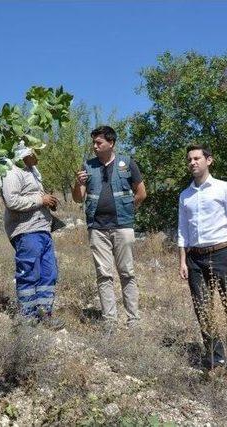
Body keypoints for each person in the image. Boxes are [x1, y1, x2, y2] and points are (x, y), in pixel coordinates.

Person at [178, 144, 227, 385]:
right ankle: (215, 360)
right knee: (203, 310)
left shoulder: (226, 189)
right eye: (189, 159)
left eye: (197, 158)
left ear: (209, 160)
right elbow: (182, 230)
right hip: (195, 258)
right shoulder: (185, 195)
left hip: (222, 253)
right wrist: (182, 260)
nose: (192, 162)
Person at [72, 126, 147, 331]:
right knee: (104, 275)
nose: (95, 147)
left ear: (111, 143)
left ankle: (133, 320)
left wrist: (128, 210)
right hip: (97, 228)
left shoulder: (127, 163)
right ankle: (110, 321)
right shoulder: (88, 166)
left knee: (127, 273)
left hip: (123, 227)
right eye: (93, 143)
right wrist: (78, 183)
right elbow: (78, 198)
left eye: (99, 143)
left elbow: (141, 193)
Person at [0, 141, 65, 330]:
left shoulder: (33, 172)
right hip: (26, 230)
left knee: (49, 273)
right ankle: (27, 317)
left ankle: (45, 313)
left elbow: (35, 198)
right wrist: (40, 199)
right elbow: (11, 200)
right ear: (23, 153)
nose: (36, 155)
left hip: (42, 229)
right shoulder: (12, 171)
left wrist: (47, 202)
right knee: (29, 272)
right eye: (33, 151)